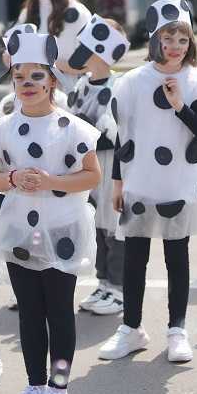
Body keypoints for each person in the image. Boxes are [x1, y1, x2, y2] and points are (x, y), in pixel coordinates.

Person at [0, 29, 101, 394]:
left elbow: (92, 177)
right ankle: (34, 384)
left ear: (53, 80)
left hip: (61, 228)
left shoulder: (72, 127)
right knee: (29, 312)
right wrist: (13, 178)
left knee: (59, 311)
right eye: (20, 77)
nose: (28, 84)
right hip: (18, 228)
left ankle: (58, 388)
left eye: (37, 76)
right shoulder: (0, 128)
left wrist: (51, 182)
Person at [99, 0, 197, 364]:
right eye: (168, 39)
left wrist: (180, 105)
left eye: (182, 40)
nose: (175, 47)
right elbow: (123, 135)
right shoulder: (132, 82)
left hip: (179, 183)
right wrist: (117, 182)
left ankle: (177, 330)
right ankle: (131, 328)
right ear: (154, 40)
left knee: (176, 257)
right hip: (139, 182)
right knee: (135, 257)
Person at [65, 16, 130, 317]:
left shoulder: (118, 85)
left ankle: (119, 288)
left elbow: (114, 133)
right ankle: (103, 281)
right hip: (86, 165)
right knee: (95, 223)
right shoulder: (80, 86)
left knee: (115, 225)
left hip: (111, 164)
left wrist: (87, 134)